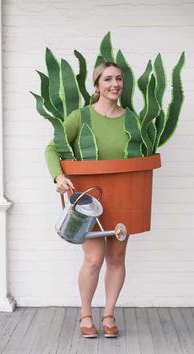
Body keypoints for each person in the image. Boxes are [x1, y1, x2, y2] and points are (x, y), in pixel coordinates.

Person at [45, 62, 129, 338]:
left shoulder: (132, 119)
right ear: (96, 86)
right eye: (107, 79)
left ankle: (108, 315)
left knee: (116, 258)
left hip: (122, 197)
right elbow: (51, 148)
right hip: (90, 200)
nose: (114, 84)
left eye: (118, 78)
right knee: (94, 258)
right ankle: (85, 314)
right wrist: (58, 177)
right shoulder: (80, 117)